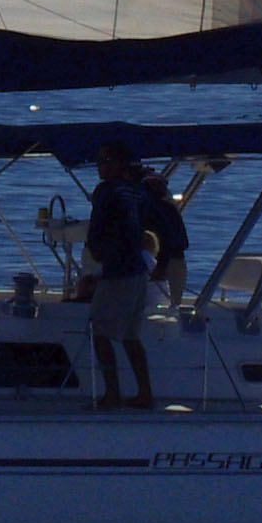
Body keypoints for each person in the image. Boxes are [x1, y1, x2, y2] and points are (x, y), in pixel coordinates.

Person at [85, 141, 156, 410]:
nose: (100, 166)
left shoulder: (107, 190)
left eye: (105, 160)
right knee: (129, 335)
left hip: (118, 270)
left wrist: (99, 256)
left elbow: (100, 227)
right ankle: (144, 393)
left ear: (118, 165)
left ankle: (112, 393)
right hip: (137, 269)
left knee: (100, 332)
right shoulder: (138, 192)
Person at [137, 166, 190, 311]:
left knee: (172, 302)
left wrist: (161, 265)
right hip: (161, 259)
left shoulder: (162, 208)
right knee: (169, 303)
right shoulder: (161, 207)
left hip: (167, 260)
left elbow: (171, 240)